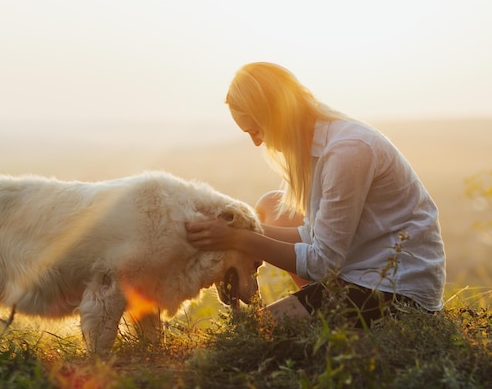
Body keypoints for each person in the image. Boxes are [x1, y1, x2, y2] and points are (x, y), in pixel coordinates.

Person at [185, 62, 446, 327]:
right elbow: (313, 235)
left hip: (395, 291)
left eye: (256, 130)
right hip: (361, 272)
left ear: (274, 116)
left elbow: (323, 263)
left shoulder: (347, 151)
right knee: (270, 208)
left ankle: (329, 321)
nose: (257, 142)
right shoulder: (316, 147)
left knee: (256, 333)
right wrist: (242, 229)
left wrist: (238, 239)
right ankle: (314, 308)